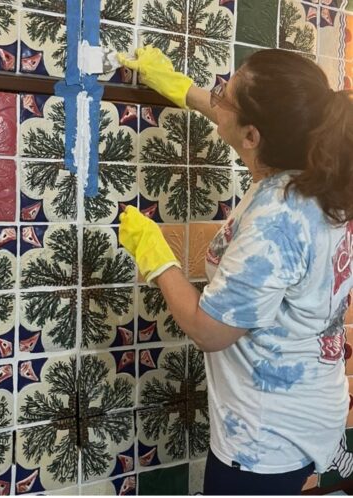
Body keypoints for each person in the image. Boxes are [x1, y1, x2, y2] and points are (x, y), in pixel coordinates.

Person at [117, 46, 353, 495]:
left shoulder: (276, 222)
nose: (217, 95)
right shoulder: (319, 170)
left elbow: (209, 331)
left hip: (268, 439)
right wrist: (181, 89)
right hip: (310, 404)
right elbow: (242, 119)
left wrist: (156, 257)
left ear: (252, 136)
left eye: (225, 94)